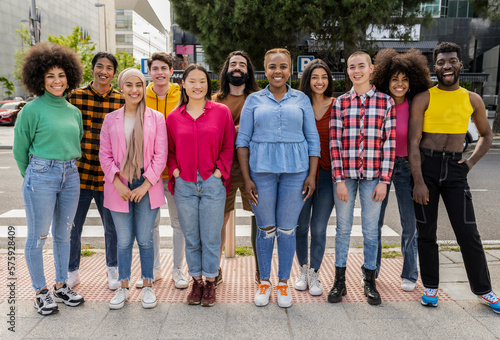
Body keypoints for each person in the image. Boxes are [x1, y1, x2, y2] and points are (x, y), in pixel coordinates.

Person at [408, 42, 500, 313]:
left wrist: (469, 164)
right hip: (426, 167)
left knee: (468, 232)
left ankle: (485, 290)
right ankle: (431, 287)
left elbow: (486, 135)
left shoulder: (473, 99)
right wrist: (419, 181)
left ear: (461, 64)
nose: (446, 66)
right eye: (441, 63)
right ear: (434, 67)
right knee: (426, 233)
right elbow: (413, 142)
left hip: (456, 171)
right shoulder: (424, 97)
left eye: (451, 61)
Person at [236, 48, 320, 308]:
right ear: (265, 69)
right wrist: (247, 179)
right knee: (265, 229)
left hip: (296, 173)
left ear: (290, 69)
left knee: (286, 230)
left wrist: (312, 175)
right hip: (260, 173)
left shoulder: (302, 99)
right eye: (273, 66)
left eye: (283, 66)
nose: (278, 71)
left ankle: (283, 283)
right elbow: (242, 141)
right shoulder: (253, 100)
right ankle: (264, 282)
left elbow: (312, 139)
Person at [13, 43, 85, 315]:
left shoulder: (73, 111)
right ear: (39, 79)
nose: (57, 81)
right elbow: (21, 151)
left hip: (70, 173)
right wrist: (34, 176)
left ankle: (61, 285)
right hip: (41, 175)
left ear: (70, 77)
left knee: (64, 234)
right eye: (50, 76)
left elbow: (73, 141)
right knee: (38, 236)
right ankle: (41, 292)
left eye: (61, 75)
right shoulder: (31, 110)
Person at [328, 51, 396, 306]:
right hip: (346, 177)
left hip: (373, 177)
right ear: (348, 71)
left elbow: (389, 144)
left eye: (361, 66)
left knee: (370, 230)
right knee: (342, 229)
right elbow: (334, 142)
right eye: (352, 67)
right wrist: (339, 179)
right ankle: (339, 281)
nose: (357, 71)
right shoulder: (340, 103)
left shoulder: (385, 102)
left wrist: (384, 180)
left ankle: (369, 281)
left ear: (371, 69)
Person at [167, 64, 235, 307]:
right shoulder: (174, 117)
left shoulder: (221, 112)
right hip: (184, 184)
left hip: (212, 183)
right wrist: (175, 170)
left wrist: (219, 171)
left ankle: (210, 283)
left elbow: (228, 146)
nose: (197, 86)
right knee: (192, 237)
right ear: (183, 85)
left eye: (202, 81)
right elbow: (170, 150)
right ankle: (196, 281)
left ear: (208, 85)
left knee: (210, 238)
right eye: (192, 81)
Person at [99, 68, 168, 310]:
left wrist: (146, 184)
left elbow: (161, 156)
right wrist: (117, 183)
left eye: (139, 84)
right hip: (119, 185)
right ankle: (123, 287)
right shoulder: (111, 119)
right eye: (129, 85)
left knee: (146, 239)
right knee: (124, 240)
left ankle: (148, 285)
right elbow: (104, 154)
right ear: (121, 88)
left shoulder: (156, 118)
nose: (135, 90)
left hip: (146, 185)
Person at [370, 48, 432, 292]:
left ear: (412, 81)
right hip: (380, 168)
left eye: (405, 79)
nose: (400, 84)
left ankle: (409, 273)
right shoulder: (380, 103)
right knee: (374, 222)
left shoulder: (416, 105)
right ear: (386, 80)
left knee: (409, 224)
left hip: (407, 167)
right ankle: (371, 269)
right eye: (394, 78)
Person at [67, 52, 125, 290]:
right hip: (78, 173)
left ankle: (113, 269)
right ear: (92, 69)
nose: (104, 71)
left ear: (114, 72)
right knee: (72, 226)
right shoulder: (75, 97)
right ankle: (71, 270)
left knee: (112, 228)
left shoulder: (121, 101)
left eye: (109, 68)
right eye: (100, 67)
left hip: (109, 176)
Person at [134, 52, 188, 289]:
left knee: (179, 224)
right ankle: (154, 269)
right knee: (151, 224)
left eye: (164, 68)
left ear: (170, 70)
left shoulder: (182, 95)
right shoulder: (141, 96)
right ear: (149, 72)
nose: (159, 73)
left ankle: (178, 269)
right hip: (149, 174)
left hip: (177, 172)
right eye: (154, 68)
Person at [212, 51, 260, 285]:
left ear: (248, 70)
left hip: (255, 169)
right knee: (219, 221)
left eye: (242, 64)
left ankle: (262, 272)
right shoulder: (214, 101)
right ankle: (215, 269)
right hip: (223, 169)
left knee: (260, 220)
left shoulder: (260, 98)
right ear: (226, 69)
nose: (238, 67)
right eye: (233, 64)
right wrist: (236, 129)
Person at [294, 59, 335, 296]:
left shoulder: (337, 105)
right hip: (301, 176)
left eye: (324, 77)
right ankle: (302, 269)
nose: (320, 82)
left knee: (319, 228)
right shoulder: (299, 104)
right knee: (300, 226)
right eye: (315, 77)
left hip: (328, 176)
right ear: (307, 80)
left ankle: (315, 273)